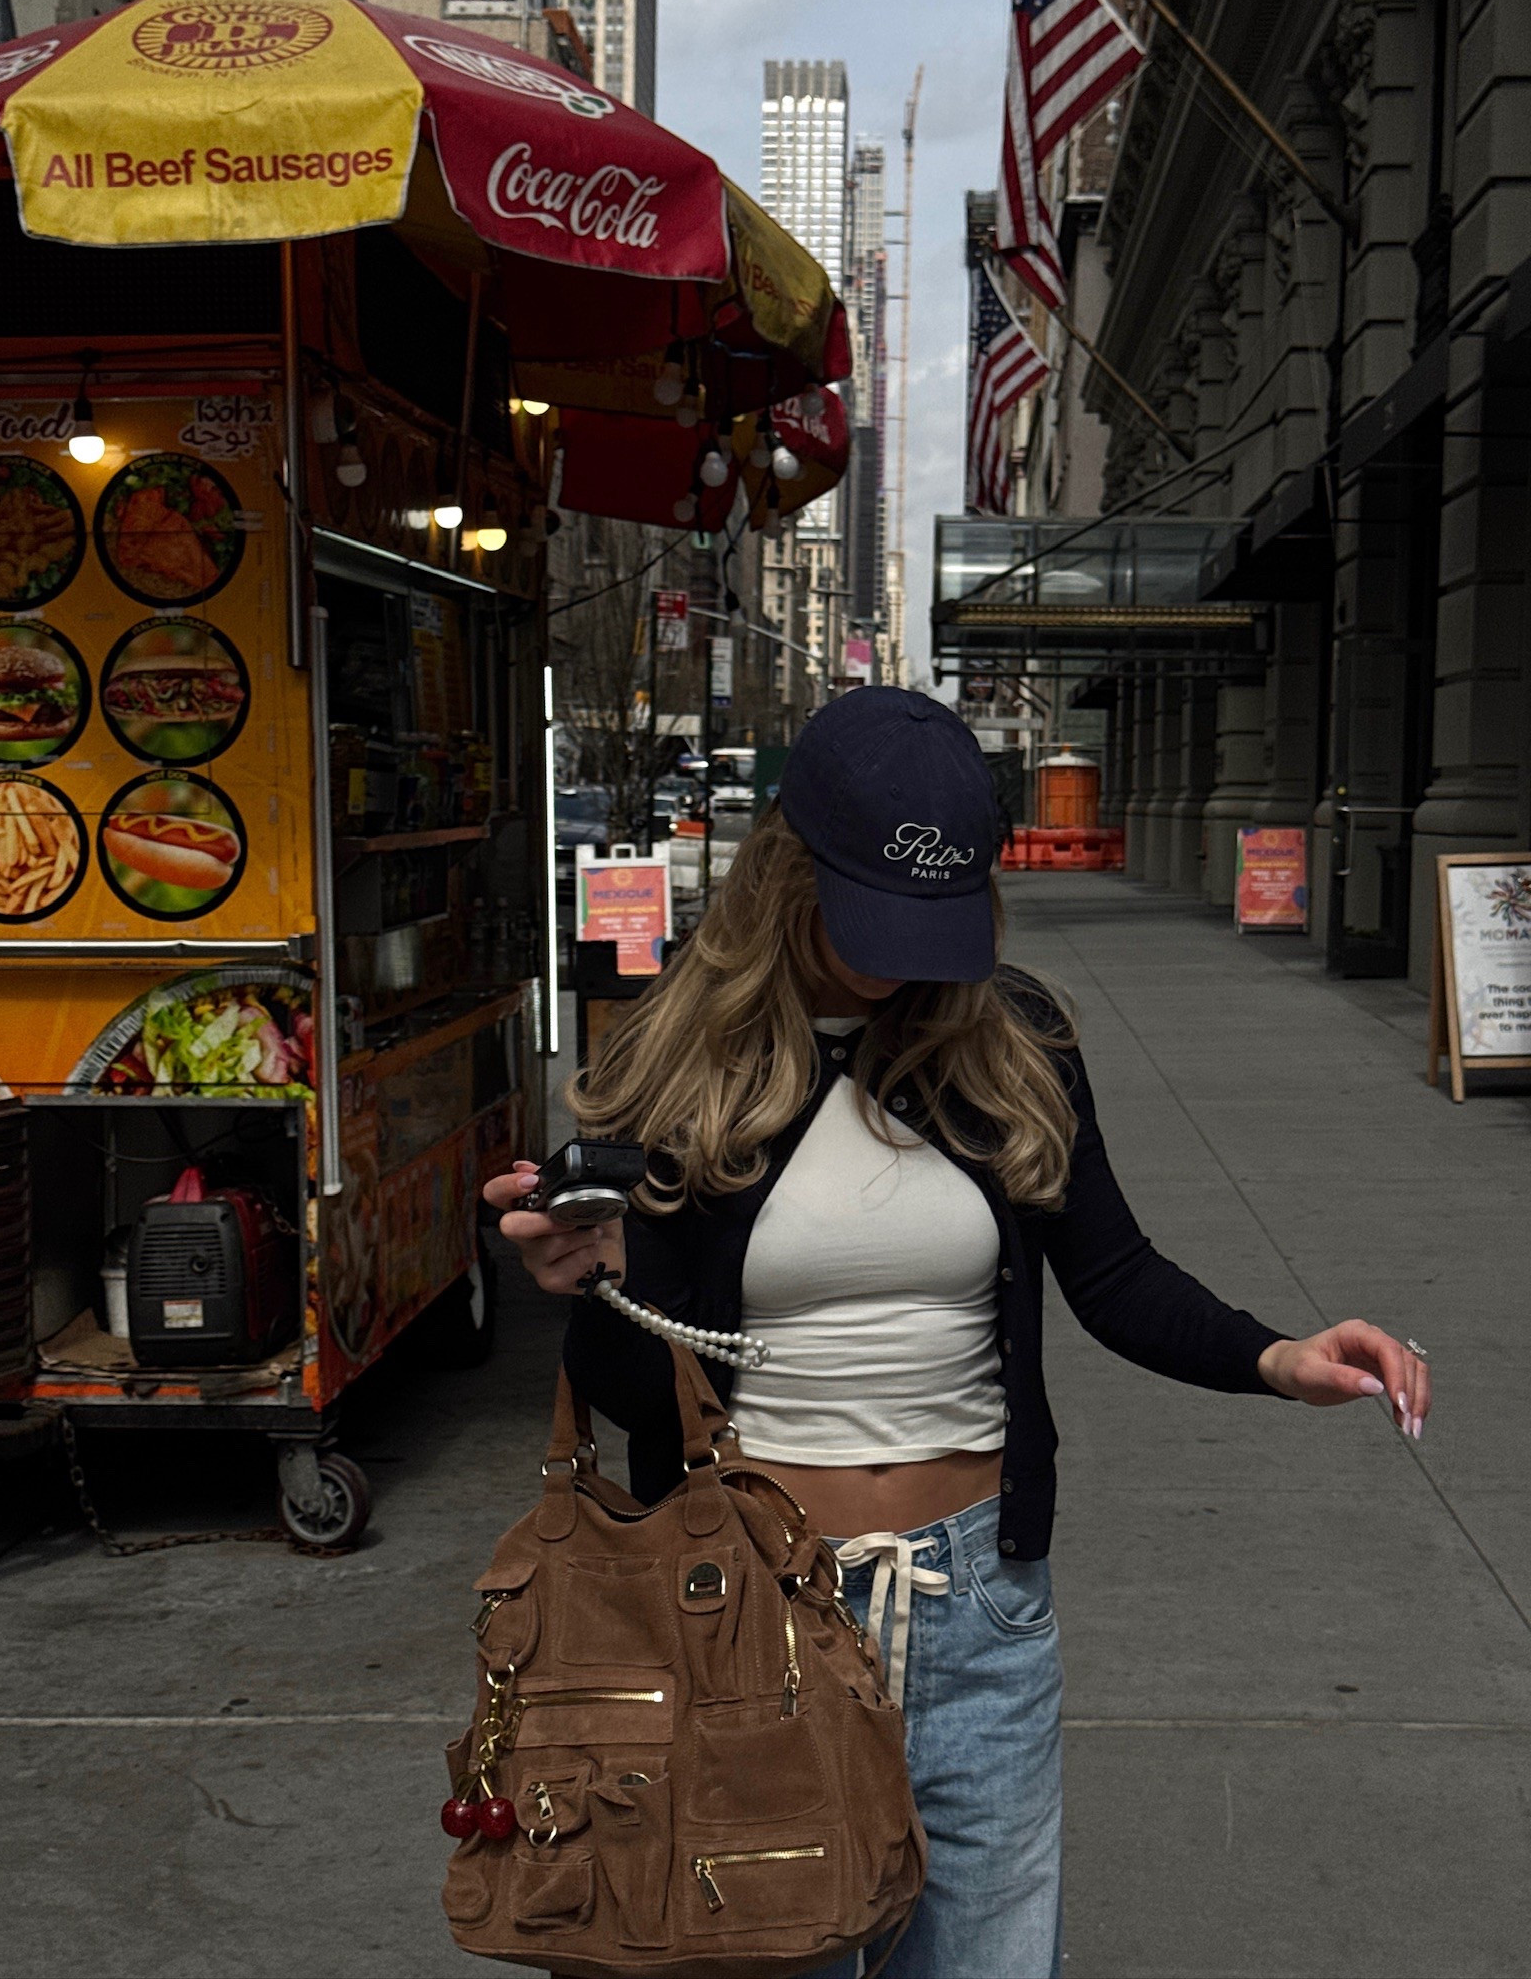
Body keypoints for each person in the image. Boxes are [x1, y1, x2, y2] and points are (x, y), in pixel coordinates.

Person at [486, 685, 1434, 1979]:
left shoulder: (1014, 1041)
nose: (902, 961)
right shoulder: (678, 1059)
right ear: (787, 869)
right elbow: (646, 1402)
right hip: (748, 1612)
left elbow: (1116, 1271)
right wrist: (586, 1282)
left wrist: (1275, 1358)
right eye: (873, 912)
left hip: (982, 1607)